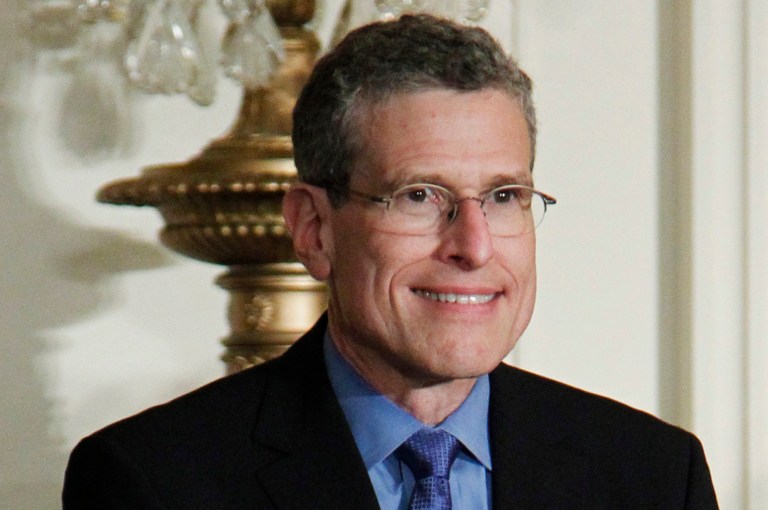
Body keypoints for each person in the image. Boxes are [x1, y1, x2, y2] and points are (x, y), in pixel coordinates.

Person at [63, 14, 718, 509]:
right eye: (419, 196)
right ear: (315, 229)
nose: (474, 246)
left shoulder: (653, 477)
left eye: (504, 197)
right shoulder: (152, 483)